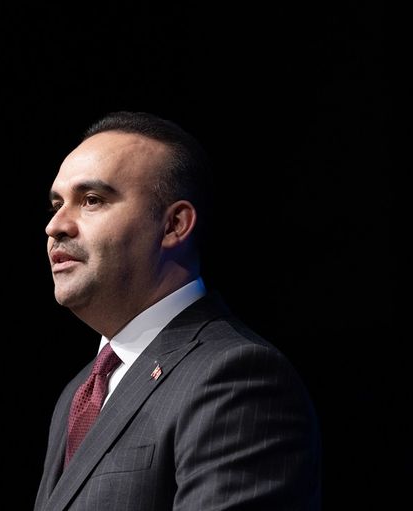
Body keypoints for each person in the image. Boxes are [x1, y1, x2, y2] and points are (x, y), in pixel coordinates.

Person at [34, 111, 321, 510]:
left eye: (92, 200)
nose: (55, 226)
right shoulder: (79, 393)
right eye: (56, 204)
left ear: (174, 225)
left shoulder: (236, 377)